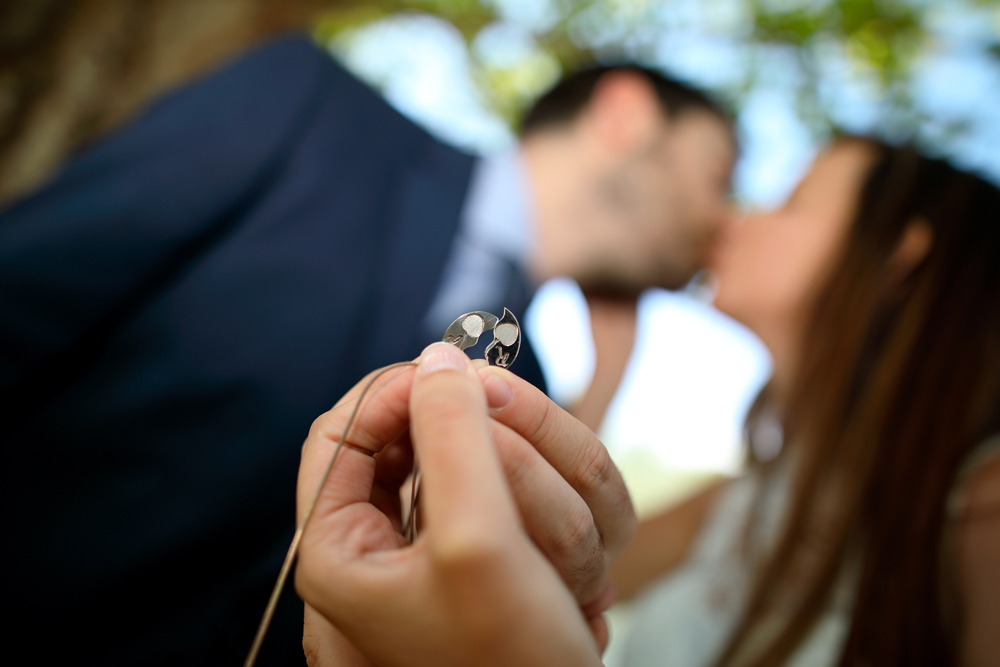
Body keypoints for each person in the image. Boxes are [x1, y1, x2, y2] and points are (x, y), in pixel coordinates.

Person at [0, 3, 733, 665]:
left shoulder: (525, 384)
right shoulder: (309, 108)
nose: (722, 223)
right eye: (718, 177)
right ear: (626, 116)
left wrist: (600, 391)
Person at [293, 137, 1000, 667]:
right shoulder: (734, 509)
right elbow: (532, 575)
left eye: (790, 200)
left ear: (901, 255)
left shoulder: (983, 506)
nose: (733, 220)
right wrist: (607, 374)